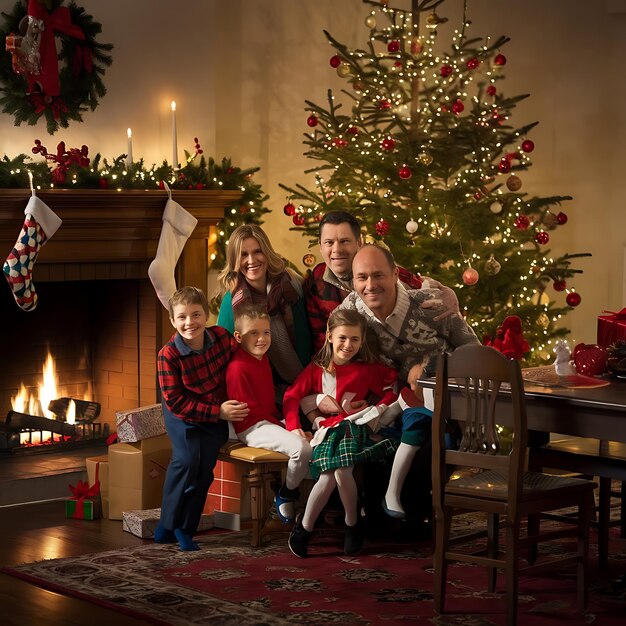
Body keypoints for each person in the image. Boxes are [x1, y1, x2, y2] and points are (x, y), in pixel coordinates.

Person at [338, 244, 480, 519]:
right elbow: (333, 359)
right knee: (372, 440)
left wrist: (431, 370)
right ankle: (380, 524)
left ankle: (415, 525)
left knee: (424, 443)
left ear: (395, 274)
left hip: (440, 407)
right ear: (353, 281)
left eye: (378, 275)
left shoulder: (431, 303)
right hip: (389, 405)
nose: (370, 285)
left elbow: (475, 352)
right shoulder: (351, 312)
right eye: (362, 278)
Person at [284, 308, 399, 558]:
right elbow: (292, 395)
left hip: (354, 429)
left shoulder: (367, 369)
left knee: (343, 470)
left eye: (355, 339)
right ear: (329, 336)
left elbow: (392, 387)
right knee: (326, 477)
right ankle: (310, 527)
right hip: (327, 432)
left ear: (362, 340)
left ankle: (348, 523)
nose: (348, 345)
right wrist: (294, 427)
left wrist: (373, 406)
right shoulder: (317, 369)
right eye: (343, 338)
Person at [155, 286, 249, 551]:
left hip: (213, 413)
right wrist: (218, 411)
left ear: (206, 316)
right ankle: (167, 523)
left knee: (204, 472)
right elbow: (175, 401)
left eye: (196, 315)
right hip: (181, 415)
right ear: (173, 321)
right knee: (186, 462)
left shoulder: (221, 338)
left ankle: (185, 528)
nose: (189, 323)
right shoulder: (168, 355)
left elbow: (241, 361)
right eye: (182, 317)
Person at [304, 211, 458, 353]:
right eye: (329, 243)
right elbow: (321, 341)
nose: (336, 249)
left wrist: (448, 293)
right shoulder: (316, 283)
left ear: (359, 242)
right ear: (321, 247)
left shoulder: (380, 266)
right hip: (351, 362)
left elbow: (422, 285)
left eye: (344, 241)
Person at [225, 304, 312, 524]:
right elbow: (248, 414)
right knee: (301, 448)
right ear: (238, 336)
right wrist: (284, 426)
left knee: (314, 436)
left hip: (265, 421)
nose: (262, 339)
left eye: (266, 332)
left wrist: (284, 423)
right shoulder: (238, 368)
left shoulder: (262, 358)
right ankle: (286, 493)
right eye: (253, 333)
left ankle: (298, 497)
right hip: (250, 427)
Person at [217, 224, 312, 391]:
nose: (252, 260)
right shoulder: (231, 302)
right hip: (262, 388)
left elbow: (311, 325)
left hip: (309, 375)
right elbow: (223, 357)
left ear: (266, 252)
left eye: (257, 251)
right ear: (235, 260)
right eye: (243, 255)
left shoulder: (290, 281)